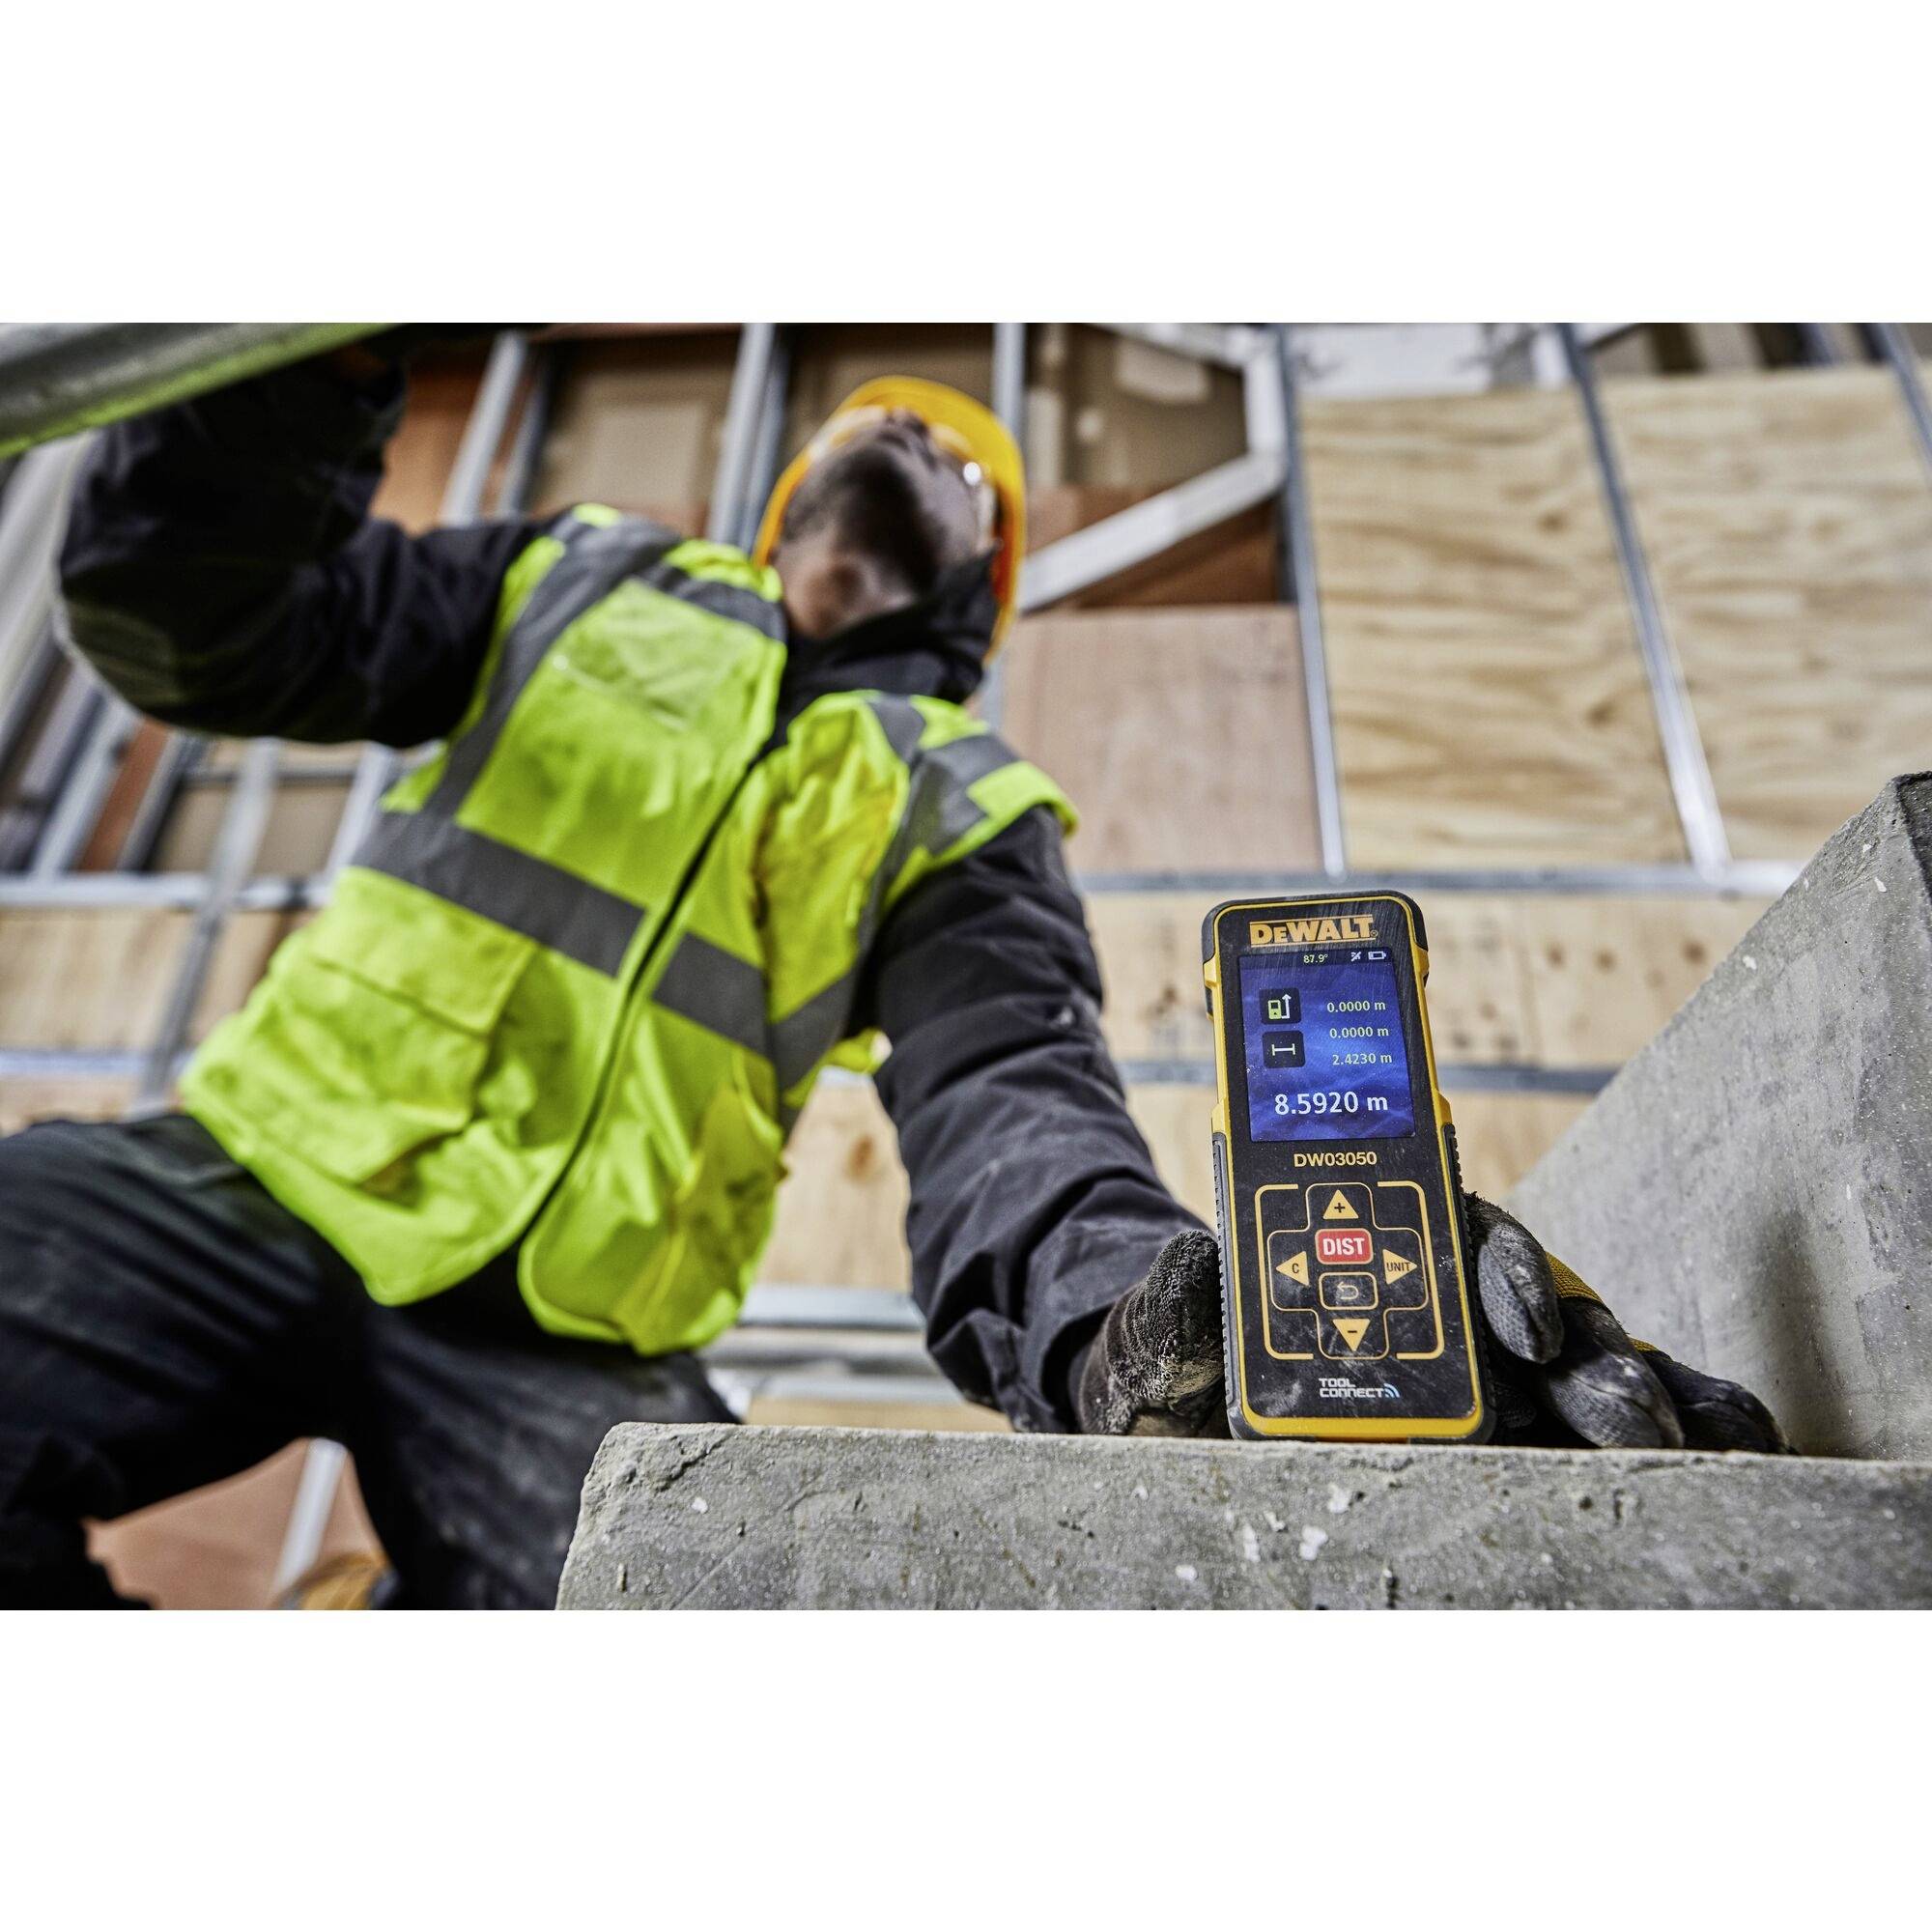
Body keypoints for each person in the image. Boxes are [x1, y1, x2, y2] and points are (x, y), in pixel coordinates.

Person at [0, 343, 1785, 1608]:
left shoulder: (956, 803)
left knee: (696, 1667)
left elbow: (1015, 1115)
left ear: (981, 583)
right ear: (788, 507)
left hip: (572, 1339)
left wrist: (1142, 1337)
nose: (911, 436)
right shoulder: (570, 583)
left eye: (959, 461)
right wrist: (294, 361)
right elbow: (192, 616)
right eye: (878, 425)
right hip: (248, 1184)